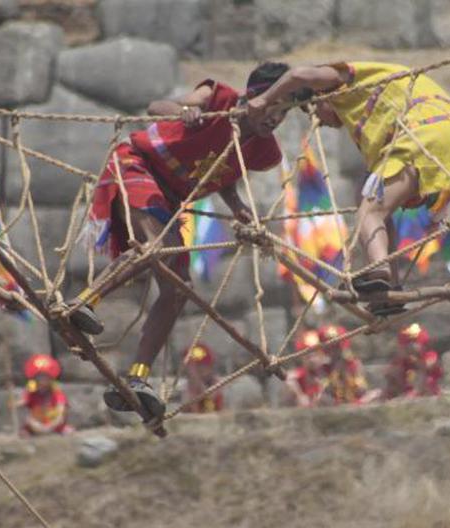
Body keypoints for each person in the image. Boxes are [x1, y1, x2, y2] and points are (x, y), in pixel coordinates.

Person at [67, 63, 293, 420]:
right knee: (157, 247)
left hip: (172, 199)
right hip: (138, 165)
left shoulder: (265, 151)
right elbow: (157, 107)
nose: (276, 118)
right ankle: (82, 303)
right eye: (272, 107)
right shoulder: (217, 98)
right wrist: (184, 113)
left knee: (178, 287)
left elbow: (223, 172)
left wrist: (236, 206)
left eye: (284, 112)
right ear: (253, 97)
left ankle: (137, 378)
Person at [247, 61, 450, 316]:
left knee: (370, 212)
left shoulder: (340, 78)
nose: (318, 121)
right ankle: (391, 289)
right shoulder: (366, 111)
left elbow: (299, 74)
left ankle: (379, 270)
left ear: (321, 96)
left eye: (312, 111)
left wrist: (265, 99)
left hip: (426, 133)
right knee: (374, 201)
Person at [318, 324, 376, 405]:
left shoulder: (354, 364)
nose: (335, 351)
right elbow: (325, 392)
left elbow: (362, 390)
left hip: (356, 404)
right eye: (331, 348)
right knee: (321, 398)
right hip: (334, 406)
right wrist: (335, 371)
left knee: (375, 394)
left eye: (337, 347)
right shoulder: (324, 368)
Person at [21, 354, 74, 437]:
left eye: (45, 377)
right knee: (24, 433)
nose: (42, 380)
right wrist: (36, 425)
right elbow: (25, 412)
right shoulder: (30, 395)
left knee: (68, 431)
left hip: (55, 425)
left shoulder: (58, 394)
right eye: (40, 377)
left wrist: (51, 426)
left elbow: (61, 413)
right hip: (36, 426)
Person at [386, 323, 443, 399]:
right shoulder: (403, 360)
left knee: (422, 378)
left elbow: (427, 367)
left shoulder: (430, 355)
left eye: (412, 343)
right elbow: (389, 373)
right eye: (406, 345)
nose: (409, 347)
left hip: (426, 390)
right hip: (405, 391)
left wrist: (415, 360)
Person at [285, 329, 330, 407]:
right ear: (302, 358)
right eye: (308, 356)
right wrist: (299, 394)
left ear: (321, 355)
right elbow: (289, 378)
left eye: (315, 355)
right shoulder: (299, 375)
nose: (312, 359)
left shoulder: (329, 370)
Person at [182, 342, 224, 413]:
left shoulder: (217, 385)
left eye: (201, 366)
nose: (197, 370)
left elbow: (211, 405)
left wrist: (198, 383)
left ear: (210, 367)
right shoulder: (184, 387)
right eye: (191, 367)